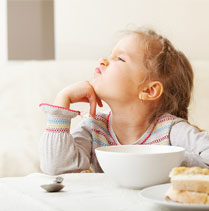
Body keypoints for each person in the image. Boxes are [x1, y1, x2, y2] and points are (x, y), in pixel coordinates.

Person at [39, 28, 209, 175]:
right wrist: (62, 100)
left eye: (119, 58)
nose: (102, 60)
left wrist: (166, 159)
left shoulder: (170, 129)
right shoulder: (94, 127)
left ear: (149, 90)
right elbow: (57, 168)